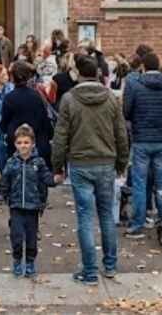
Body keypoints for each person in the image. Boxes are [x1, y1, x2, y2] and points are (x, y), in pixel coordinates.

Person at [51, 54, 129, 285]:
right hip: (106, 161)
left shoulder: (69, 99)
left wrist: (58, 165)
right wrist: (122, 163)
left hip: (80, 162)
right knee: (106, 214)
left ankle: (90, 270)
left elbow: (61, 134)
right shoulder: (112, 99)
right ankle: (111, 265)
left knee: (85, 217)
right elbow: (121, 134)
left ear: (78, 73)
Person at [122, 51, 162, 237]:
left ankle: (137, 224)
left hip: (141, 139)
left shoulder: (135, 85)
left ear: (143, 67)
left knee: (139, 183)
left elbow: (127, 111)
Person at [1, 124, 52, 278]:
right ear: (15, 144)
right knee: (16, 236)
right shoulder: (11, 162)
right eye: (20, 143)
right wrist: (3, 193)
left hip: (33, 206)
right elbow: (5, 179)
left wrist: (55, 179)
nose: (23, 146)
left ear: (32, 144)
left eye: (26, 142)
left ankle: (30, 261)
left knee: (31, 238)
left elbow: (46, 178)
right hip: (16, 205)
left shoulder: (39, 162)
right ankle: (17, 260)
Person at [0, 61, 53, 166]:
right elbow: (44, 119)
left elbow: (4, 124)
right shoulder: (36, 96)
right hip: (36, 145)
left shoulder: (9, 98)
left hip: (16, 146)